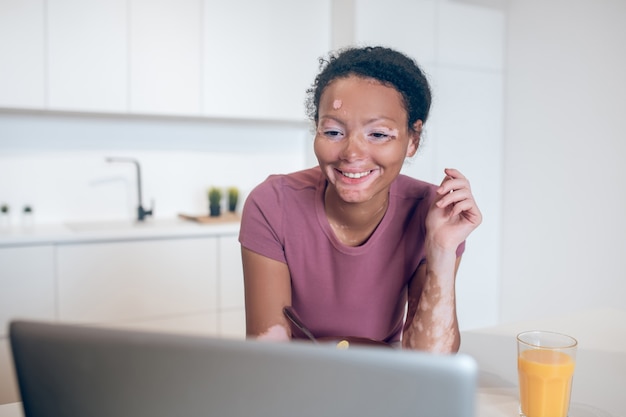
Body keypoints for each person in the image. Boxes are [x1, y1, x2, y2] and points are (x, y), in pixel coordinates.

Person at [238, 46, 482, 353]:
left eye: (378, 134)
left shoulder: (434, 213)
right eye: (333, 132)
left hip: (384, 381)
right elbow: (268, 355)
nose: (352, 154)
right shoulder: (272, 205)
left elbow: (431, 360)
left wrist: (443, 251)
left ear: (412, 141)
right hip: (297, 380)